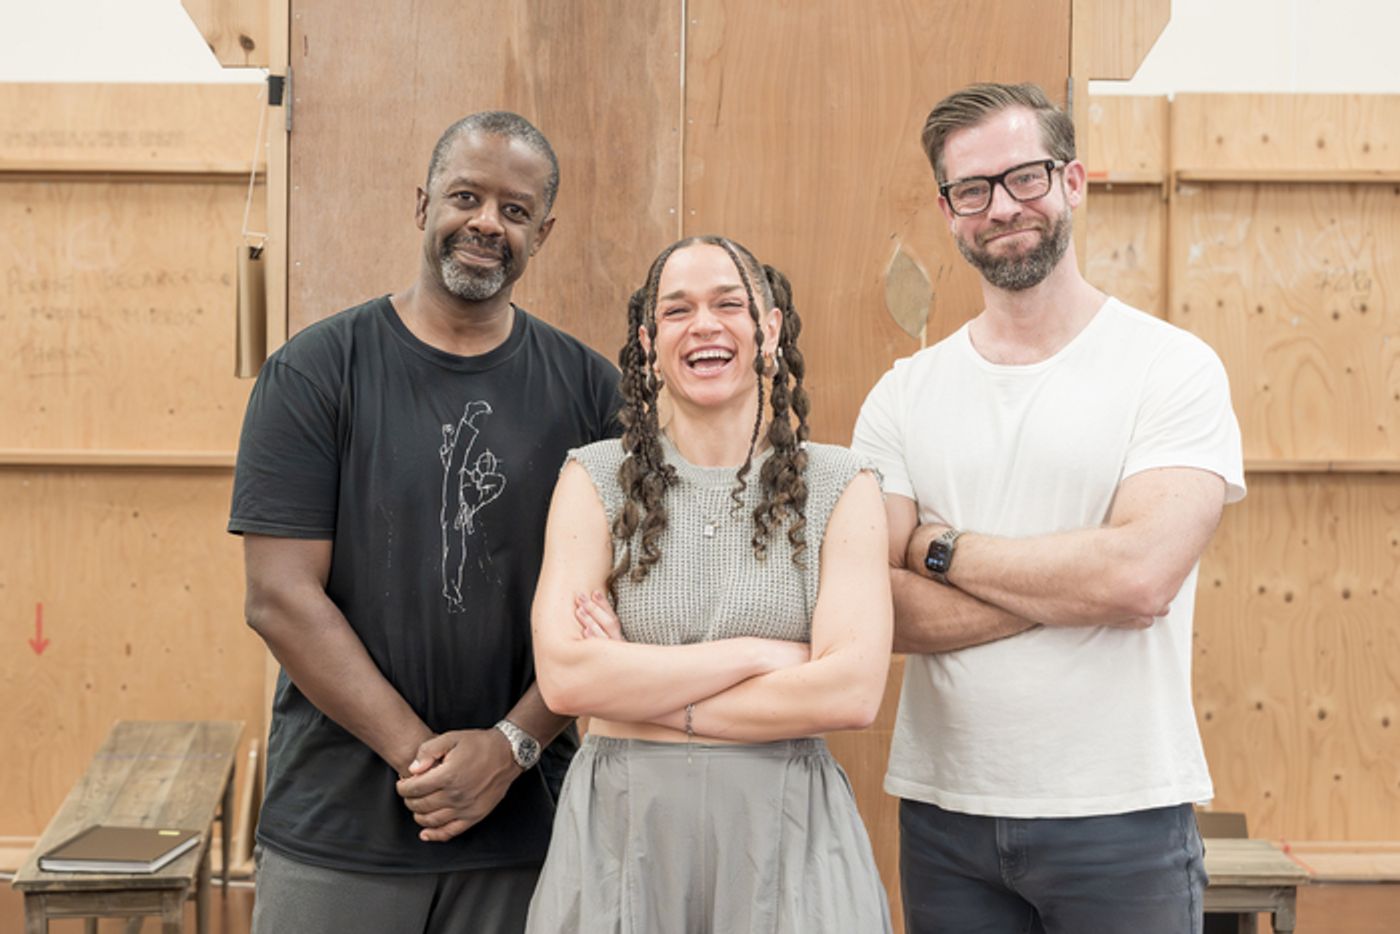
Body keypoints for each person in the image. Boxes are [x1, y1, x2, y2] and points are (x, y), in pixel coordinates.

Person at [851, 82, 1246, 934]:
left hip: (1123, 814)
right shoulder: (903, 396)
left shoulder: (1171, 369)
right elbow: (874, 607)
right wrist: (1074, 587)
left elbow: (1139, 579)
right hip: (945, 812)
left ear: (1072, 182)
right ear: (949, 211)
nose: (1002, 206)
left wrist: (939, 546)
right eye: (973, 190)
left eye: (1024, 177)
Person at [228, 111, 619, 934]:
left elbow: (610, 608)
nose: (486, 222)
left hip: (525, 830)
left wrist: (510, 748)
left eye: (515, 210)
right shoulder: (315, 372)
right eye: (466, 196)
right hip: (337, 829)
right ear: (421, 205)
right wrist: (428, 761)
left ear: (542, 233)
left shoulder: (592, 393)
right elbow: (279, 598)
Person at [526, 236, 893, 933]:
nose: (705, 325)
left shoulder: (842, 484)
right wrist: (759, 656)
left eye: (730, 303)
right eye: (677, 310)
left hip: (789, 836)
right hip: (621, 830)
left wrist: (634, 690)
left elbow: (850, 691)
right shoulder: (592, 478)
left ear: (771, 329)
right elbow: (568, 682)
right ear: (648, 340)